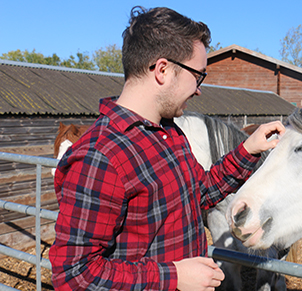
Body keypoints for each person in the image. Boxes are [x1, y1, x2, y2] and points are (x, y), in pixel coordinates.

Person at [49, 6, 285, 291]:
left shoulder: (169, 132)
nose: (198, 89)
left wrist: (249, 148)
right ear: (162, 70)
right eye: (198, 76)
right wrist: (173, 277)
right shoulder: (101, 156)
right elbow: (75, 275)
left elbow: (200, 191)